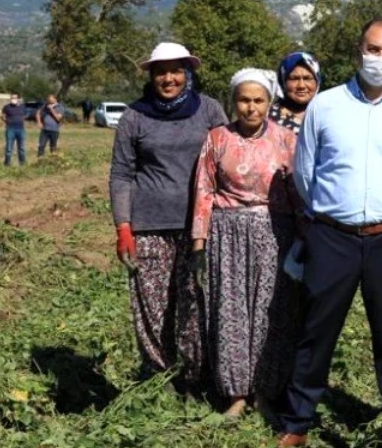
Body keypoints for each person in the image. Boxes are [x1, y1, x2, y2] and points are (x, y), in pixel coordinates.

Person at [277, 18, 382, 448]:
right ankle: (297, 421)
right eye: (373, 49)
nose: (380, 59)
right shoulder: (325, 107)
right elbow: (304, 173)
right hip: (332, 236)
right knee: (318, 328)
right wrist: (334, 216)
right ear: (358, 51)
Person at [109, 42, 227, 389]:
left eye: (176, 70)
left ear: (188, 73)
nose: (169, 78)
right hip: (149, 225)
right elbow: (121, 175)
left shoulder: (208, 110)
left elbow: (229, 156)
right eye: (161, 71)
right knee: (152, 306)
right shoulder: (135, 116)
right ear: (151, 76)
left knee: (194, 302)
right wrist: (123, 227)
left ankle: (194, 378)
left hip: (199, 226)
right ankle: (157, 378)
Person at [191, 69, 297, 418]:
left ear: (269, 102)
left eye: (258, 100)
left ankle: (265, 393)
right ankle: (236, 393)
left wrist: (304, 237)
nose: (251, 108)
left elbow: (299, 192)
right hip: (227, 233)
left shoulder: (285, 140)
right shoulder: (217, 138)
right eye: (244, 100)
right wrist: (199, 239)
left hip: (274, 233)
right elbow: (204, 189)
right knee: (231, 311)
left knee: (269, 313)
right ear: (233, 101)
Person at [270, 52, 322, 133]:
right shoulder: (268, 118)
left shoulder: (330, 114)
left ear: (317, 82)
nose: (301, 86)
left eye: (307, 78)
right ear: (283, 82)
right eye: (294, 79)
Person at [1, 93, 29, 166]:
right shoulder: (6, 107)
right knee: (9, 148)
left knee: (22, 148)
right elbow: (3, 115)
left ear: (18, 99)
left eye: (15, 98)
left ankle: (22, 163)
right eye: (12, 98)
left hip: (21, 129)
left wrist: (21, 119)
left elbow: (26, 115)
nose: (13, 99)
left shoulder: (22, 107)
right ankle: (7, 164)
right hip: (10, 129)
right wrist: (7, 121)